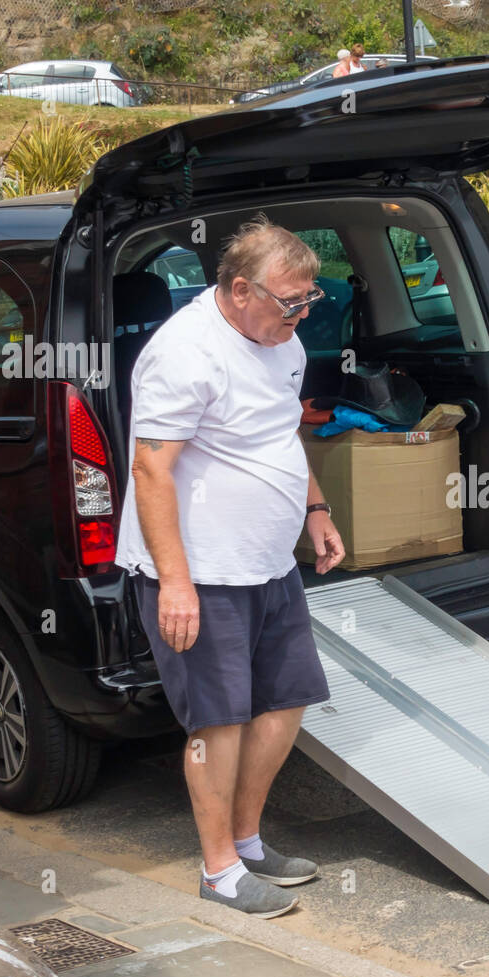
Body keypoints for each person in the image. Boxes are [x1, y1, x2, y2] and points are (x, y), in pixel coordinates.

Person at [115, 215, 345, 917]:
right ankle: (219, 871)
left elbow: (281, 431)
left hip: (269, 563)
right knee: (219, 721)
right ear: (239, 289)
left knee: (285, 701)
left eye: (309, 300)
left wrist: (316, 510)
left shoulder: (283, 341)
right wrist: (175, 583)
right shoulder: (184, 353)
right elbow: (151, 469)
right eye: (289, 301)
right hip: (202, 572)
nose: (301, 314)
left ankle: (246, 841)